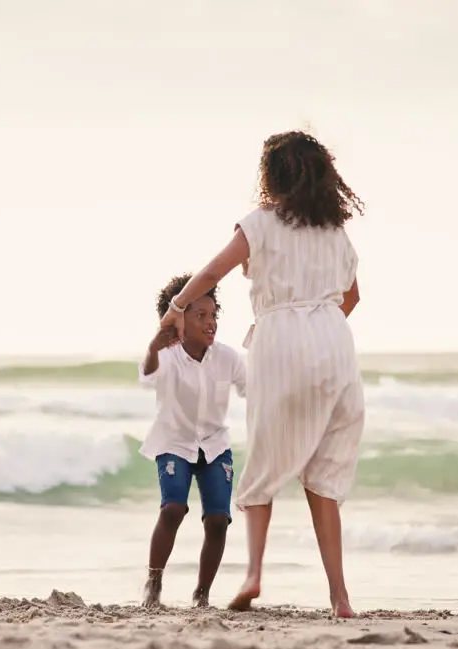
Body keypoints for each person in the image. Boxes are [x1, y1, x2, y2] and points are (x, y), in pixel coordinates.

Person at [158, 131, 364, 617]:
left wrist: (177, 306)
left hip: (280, 344)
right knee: (324, 477)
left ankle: (253, 575)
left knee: (265, 464)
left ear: (272, 176)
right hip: (336, 347)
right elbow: (352, 298)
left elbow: (211, 274)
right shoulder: (336, 232)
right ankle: (340, 597)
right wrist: (318, 334)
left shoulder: (260, 224)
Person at [139, 273, 247, 608]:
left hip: (214, 445)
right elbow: (147, 377)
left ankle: (202, 594)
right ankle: (154, 581)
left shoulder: (228, 358)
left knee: (218, 520)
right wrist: (154, 346)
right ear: (180, 319)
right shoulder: (168, 356)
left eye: (213, 315)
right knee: (173, 509)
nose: (210, 322)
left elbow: (253, 390)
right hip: (174, 442)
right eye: (200, 316)